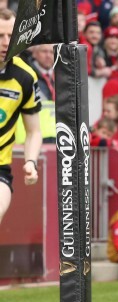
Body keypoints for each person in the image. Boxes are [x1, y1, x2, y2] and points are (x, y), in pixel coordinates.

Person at [0, 9, 42, 226]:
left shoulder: (26, 76)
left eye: (11, 36)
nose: (6, 43)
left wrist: (31, 162)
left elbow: (34, 131)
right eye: (0, 36)